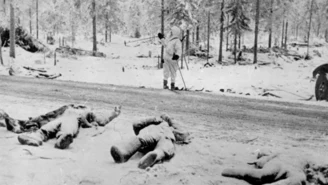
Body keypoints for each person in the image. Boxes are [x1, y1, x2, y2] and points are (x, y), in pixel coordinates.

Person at [1, 104, 121, 149]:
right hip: (59, 118)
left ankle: (62, 141)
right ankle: (36, 138)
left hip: (73, 119)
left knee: (68, 129)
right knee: (48, 127)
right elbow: (49, 115)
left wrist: (113, 114)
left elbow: (102, 120)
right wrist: (35, 119)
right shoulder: (67, 107)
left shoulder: (88, 111)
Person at [110, 114, 191, 169]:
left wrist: (138, 131)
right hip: (166, 138)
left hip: (153, 136)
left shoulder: (158, 123)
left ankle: (125, 154)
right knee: (163, 149)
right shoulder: (172, 129)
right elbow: (184, 136)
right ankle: (156, 155)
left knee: (141, 140)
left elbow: (136, 124)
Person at [158, 26, 182, 90]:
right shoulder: (169, 39)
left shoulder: (177, 41)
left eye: (171, 31)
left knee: (173, 72)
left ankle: (172, 85)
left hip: (173, 58)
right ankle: (165, 85)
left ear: (174, 32)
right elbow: (165, 44)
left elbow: (179, 49)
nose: (170, 32)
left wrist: (177, 55)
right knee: (166, 71)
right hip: (166, 58)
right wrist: (162, 38)